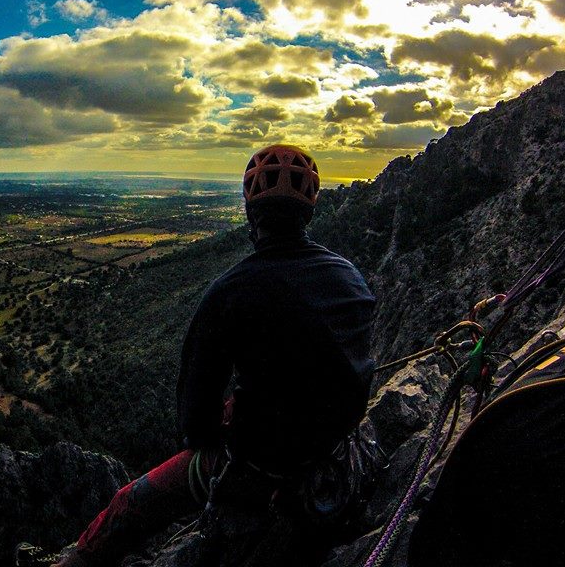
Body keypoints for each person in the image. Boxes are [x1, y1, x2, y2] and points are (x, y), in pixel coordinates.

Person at [53, 145, 376, 567]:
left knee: (129, 503)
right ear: (309, 212)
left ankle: (72, 564)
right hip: (335, 453)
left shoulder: (230, 293)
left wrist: (228, 425)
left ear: (249, 212)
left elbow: (195, 421)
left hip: (263, 464)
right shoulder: (351, 279)